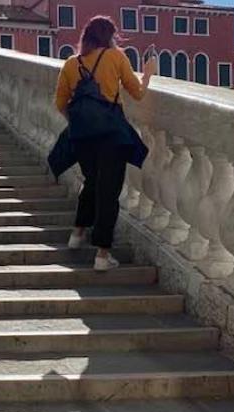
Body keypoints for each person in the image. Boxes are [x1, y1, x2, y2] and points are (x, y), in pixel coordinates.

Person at [55, 16, 156, 271]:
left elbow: (60, 103)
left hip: (83, 136)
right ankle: (102, 254)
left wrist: (80, 122)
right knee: (108, 190)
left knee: (91, 181)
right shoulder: (116, 57)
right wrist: (149, 73)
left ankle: (77, 234)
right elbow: (138, 93)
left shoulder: (71, 63)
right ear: (109, 36)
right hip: (111, 134)